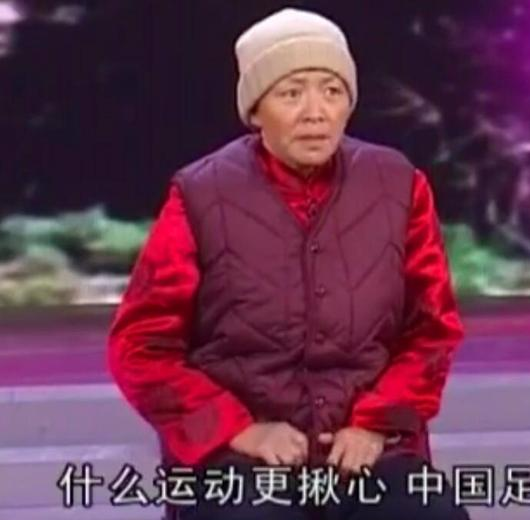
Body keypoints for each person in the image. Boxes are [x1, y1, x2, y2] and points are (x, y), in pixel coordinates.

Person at [108, 7, 467, 520]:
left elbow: (431, 331)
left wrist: (377, 424)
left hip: (369, 448)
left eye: (332, 91)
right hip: (238, 458)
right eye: (292, 93)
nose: (315, 112)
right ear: (256, 109)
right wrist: (237, 430)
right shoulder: (201, 194)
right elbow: (141, 347)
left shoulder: (398, 185)